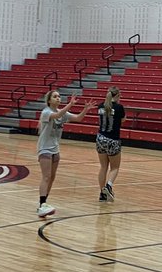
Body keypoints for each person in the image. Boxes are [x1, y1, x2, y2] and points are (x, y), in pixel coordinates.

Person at [36, 90, 93, 218]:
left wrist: (85, 109)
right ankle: (42, 205)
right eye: (55, 97)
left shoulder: (63, 113)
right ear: (49, 100)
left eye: (59, 96)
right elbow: (57, 115)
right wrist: (71, 104)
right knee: (46, 176)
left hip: (55, 149)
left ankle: (44, 204)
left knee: (52, 177)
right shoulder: (46, 112)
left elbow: (78, 118)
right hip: (44, 148)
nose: (58, 98)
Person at [95, 87, 126, 201]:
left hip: (100, 138)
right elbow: (123, 120)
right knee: (115, 167)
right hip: (113, 139)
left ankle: (102, 193)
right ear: (117, 95)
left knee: (103, 167)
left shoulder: (100, 106)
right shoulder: (119, 107)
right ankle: (109, 186)